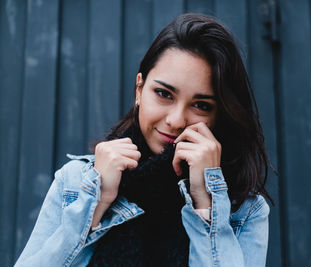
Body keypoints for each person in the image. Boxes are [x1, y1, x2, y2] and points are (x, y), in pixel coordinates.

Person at [15, 13, 271, 266]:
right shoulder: (76, 183)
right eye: (164, 93)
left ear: (219, 115)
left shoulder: (245, 211)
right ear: (140, 89)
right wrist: (96, 203)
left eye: (201, 105)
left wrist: (206, 201)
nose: (176, 120)